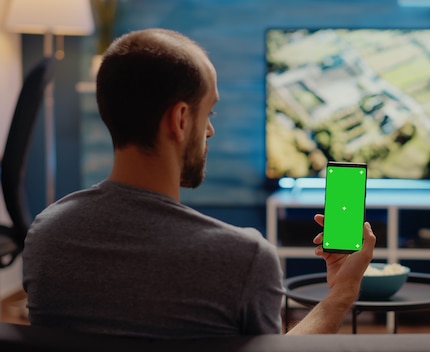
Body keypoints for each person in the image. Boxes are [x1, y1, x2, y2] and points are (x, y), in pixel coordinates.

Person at [22, 28, 375, 338]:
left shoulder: (45, 236)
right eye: (209, 113)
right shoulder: (242, 259)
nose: (210, 130)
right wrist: (343, 292)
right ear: (180, 119)